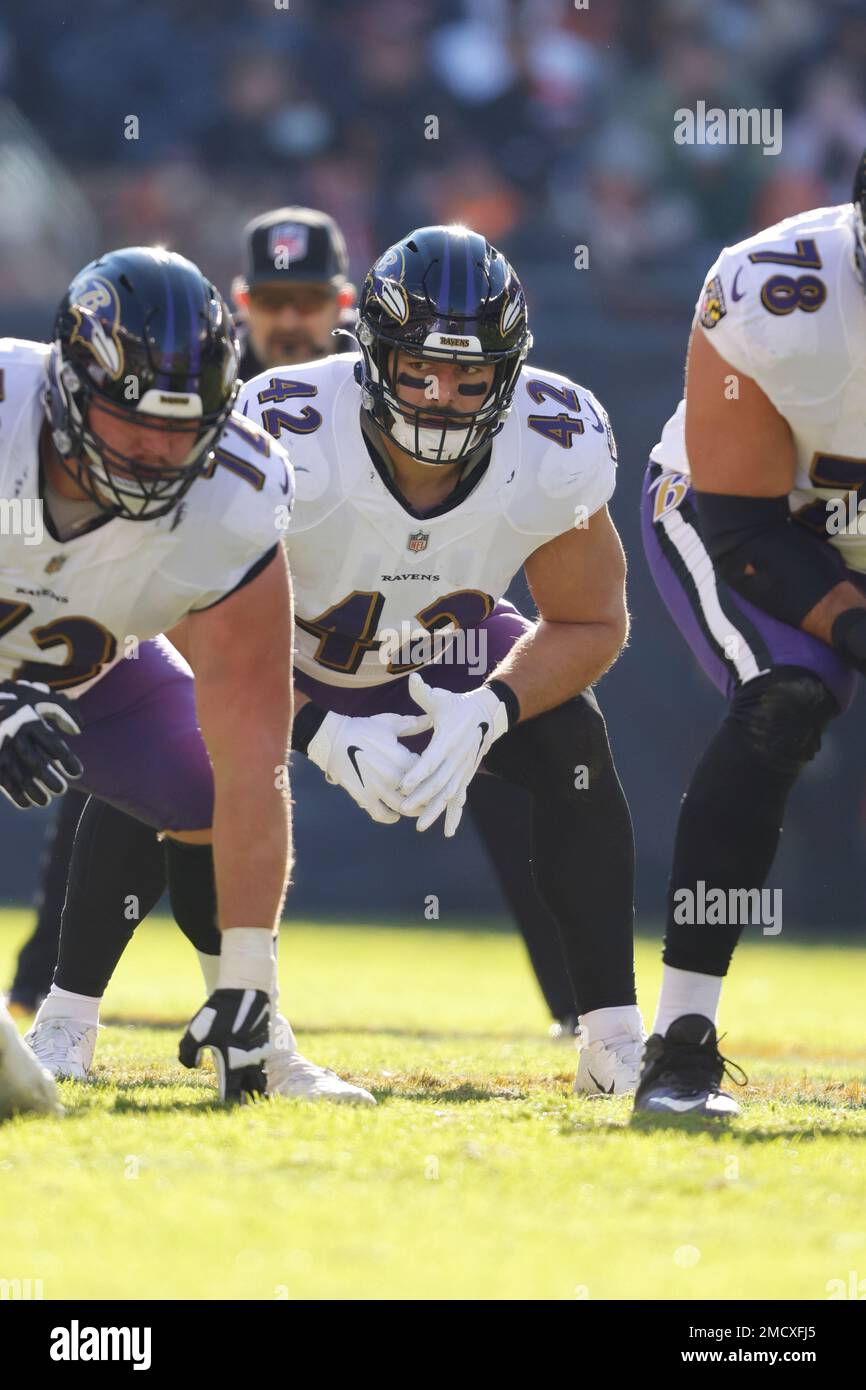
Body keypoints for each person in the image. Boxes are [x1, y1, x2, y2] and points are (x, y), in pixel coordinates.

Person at [34, 225, 644, 1095]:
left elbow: (590, 619)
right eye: (420, 372)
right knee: (171, 764)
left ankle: (613, 1040)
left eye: (471, 379)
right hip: (273, 652)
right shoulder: (284, 430)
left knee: (575, 746)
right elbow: (179, 613)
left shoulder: (553, 441)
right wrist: (318, 727)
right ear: (373, 358)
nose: (441, 400)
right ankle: (67, 1017)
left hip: (447, 654)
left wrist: (494, 708)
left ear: (509, 374)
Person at [0, 243, 369, 1105]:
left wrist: (250, 974)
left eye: (182, 427)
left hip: (84, 667)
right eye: (134, 424)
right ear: (66, 390)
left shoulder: (235, 492)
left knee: (207, 782)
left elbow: (253, 765)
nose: (157, 454)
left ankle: (260, 1035)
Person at [635, 154, 866, 1118]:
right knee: (786, 698)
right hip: (759, 522)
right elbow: (742, 525)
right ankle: (680, 1042)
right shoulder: (778, 291)